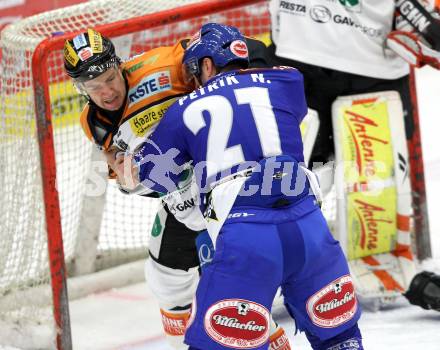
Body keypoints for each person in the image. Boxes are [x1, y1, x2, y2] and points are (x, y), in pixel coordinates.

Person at [124, 23, 364, 350]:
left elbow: (149, 173)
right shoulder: (287, 81)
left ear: (207, 65)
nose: (193, 80)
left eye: (195, 71)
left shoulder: (182, 110)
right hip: (309, 227)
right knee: (340, 338)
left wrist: (128, 156)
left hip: (248, 238)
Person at [63, 28, 291, 350]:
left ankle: (272, 338)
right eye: (93, 87)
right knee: (164, 277)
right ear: (80, 88)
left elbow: (235, 47)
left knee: (235, 289)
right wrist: (132, 183)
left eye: (110, 78)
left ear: (119, 64)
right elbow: (142, 180)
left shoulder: (165, 65)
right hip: (183, 201)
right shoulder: (95, 123)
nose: (107, 92)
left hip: (231, 185)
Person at [267, 0, 440, 312]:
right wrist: (423, 21)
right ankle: (370, 264)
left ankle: (272, 265)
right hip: (361, 63)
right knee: (365, 174)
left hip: (302, 51)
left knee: (300, 172)